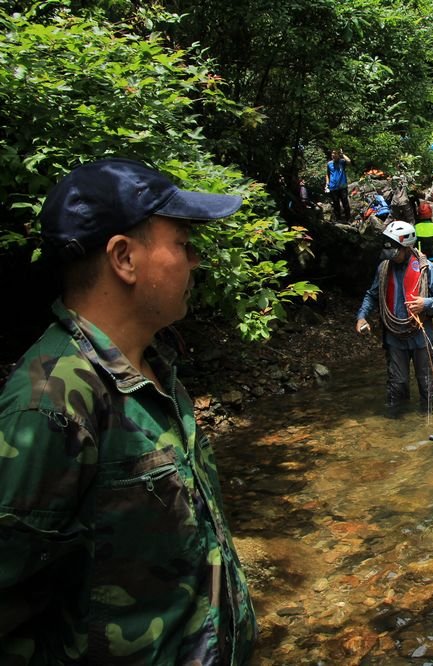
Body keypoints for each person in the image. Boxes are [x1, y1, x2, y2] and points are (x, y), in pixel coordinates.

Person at [0, 158, 257, 664]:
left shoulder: (154, 367)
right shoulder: (50, 403)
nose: (195, 260)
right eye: (182, 243)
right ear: (124, 258)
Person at [356, 220, 433, 413]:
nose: (392, 256)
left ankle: (431, 422)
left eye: (396, 251)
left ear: (407, 247)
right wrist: (362, 316)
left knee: (428, 386)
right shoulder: (384, 268)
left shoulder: (425, 267)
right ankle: (397, 423)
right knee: (397, 385)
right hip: (394, 337)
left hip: (420, 336)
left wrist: (425, 303)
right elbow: (372, 294)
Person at [325, 148, 352, 221]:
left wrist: (342, 154)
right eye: (332, 153)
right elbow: (327, 174)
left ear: (338, 155)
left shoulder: (342, 162)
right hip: (333, 187)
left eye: (335, 153)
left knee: (345, 203)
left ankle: (348, 219)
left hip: (342, 186)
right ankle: (338, 219)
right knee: (336, 204)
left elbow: (349, 161)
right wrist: (327, 184)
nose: (333, 155)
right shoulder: (329, 163)